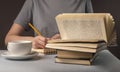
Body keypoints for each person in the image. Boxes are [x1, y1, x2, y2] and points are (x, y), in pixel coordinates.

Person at [5, 0, 93, 49]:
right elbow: (8, 39)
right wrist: (32, 41)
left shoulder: (83, 1)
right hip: (41, 63)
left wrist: (66, 39)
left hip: (76, 60)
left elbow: (94, 37)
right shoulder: (34, 1)